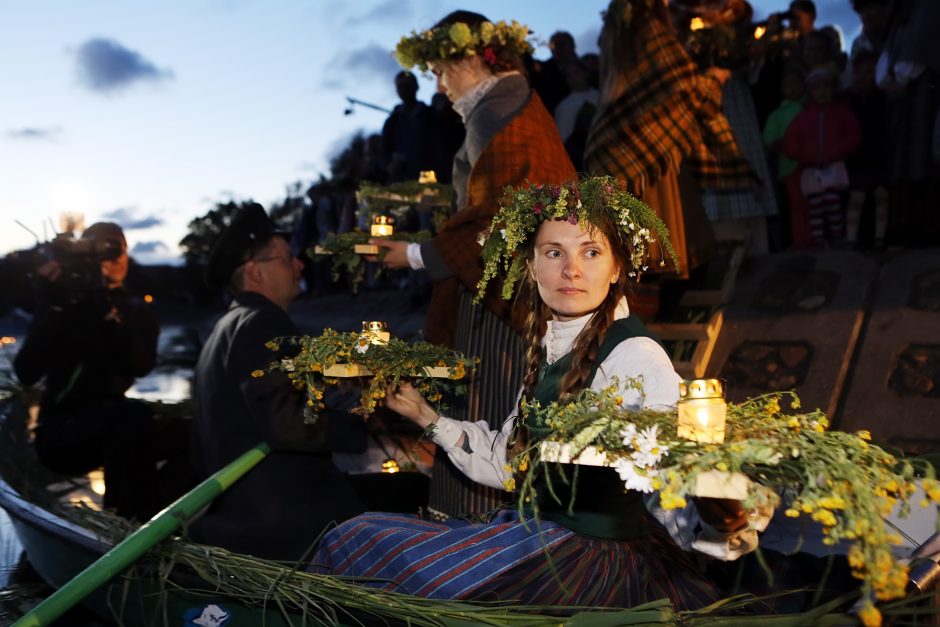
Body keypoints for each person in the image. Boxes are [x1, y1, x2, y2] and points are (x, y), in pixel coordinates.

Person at [312, 177, 766, 608]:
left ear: (617, 269)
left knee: (364, 544)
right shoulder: (553, 343)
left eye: (591, 252)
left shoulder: (636, 357)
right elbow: (516, 463)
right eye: (554, 253)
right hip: (538, 533)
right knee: (357, 536)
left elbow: (675, 484)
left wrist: (719, 519)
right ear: (531, 266)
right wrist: (428, 417)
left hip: (585, 561)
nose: (571, 269)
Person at [371, 11, 576, 516]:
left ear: (468, 58)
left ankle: (482, 528)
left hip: (502, 295)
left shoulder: (497, 112)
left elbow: (504, 218)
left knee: (491, 394)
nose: (438, 85)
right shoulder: (515, 102)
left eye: (440, 69)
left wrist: (417, 255)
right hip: (513, 284)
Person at [189, 204, 428, 561]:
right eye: (287, 259)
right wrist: (360, 426)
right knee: (418, 487)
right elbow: (285, 423)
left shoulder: (226, 327)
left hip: (244, 503)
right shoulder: (262, 322)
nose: (299, 265)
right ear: (254, 273)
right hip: (280, 513)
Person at [13, 222, 164, 520]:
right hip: (60, 433)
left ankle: (157, 522)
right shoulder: (64, 304)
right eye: (103, 250)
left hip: (113, 423)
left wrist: (105, 313)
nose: (115, 258)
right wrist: (53, 305)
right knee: (132, 418)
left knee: (180, 431)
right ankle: (124, 528)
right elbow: (26, 372)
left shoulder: (136, 311)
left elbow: (139, 365)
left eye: (119, 249)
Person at [783, 66, 860, 248]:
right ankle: (818, 239)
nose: (822, 92)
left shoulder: (841, 113)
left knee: (834, 204)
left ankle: (837, 237)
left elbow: (853, 135)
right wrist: (801, 154)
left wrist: (839, 150)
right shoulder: (802, 118)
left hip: (833, 166)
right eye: (817, 88)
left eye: (826, 87)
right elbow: (791, 140)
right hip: (811, 168)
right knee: (815, 206)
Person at [382, 71, 434, 183]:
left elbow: (439, 148)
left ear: (416, 87)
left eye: (408, 86)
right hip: (401, 179)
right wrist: (390, 166)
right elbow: (384, 151)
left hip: (428, 176)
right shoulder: (392, 121)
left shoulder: (431, 116)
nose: (405, 90)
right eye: (401, 86)